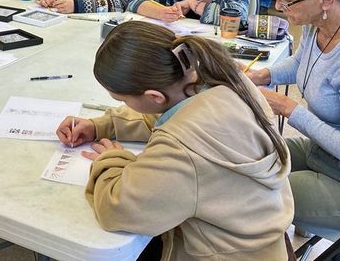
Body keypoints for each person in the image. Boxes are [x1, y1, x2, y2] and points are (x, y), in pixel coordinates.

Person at [56, 21, 293, 259]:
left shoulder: (181, 149)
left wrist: (111, 159)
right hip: (266, 245)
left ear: (154, 97)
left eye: (123, 100)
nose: (123, 105)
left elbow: (117, 209)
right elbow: (169, 114)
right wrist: (102, 125)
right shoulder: (224, 81)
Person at [247, 0, 340, 241]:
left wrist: (289, 109)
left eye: (286, 0)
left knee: (256, 196)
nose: (278, 5)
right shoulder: (321, 24)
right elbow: (301, 63)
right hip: (321, 149)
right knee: (248, 164)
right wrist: (262, 75)